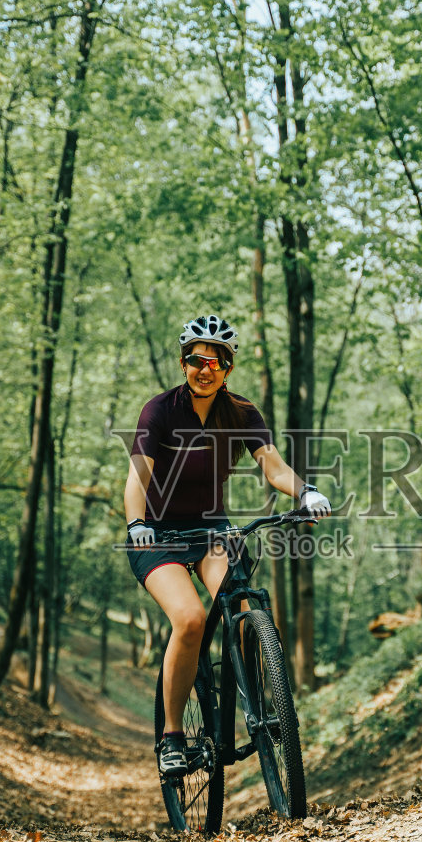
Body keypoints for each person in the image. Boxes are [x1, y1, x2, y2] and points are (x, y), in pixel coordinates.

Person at [123, 315, 331, 778]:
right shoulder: (159, 411)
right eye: (198, 360)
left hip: (210, 530)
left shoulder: (241, 413)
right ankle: (173, 736)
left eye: (216, 361)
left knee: (238, 605)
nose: (206, 369)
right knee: (192, 619)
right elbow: (138, 478)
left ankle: (254, 704)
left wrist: (305, 491)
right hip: (156, 536)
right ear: (184, 364)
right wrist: (136, 522)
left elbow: (273, 467)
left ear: (227, 368)